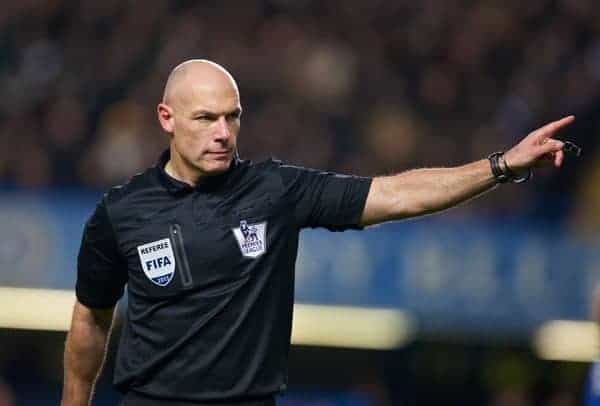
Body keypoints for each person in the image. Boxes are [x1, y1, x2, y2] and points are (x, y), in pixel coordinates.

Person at [61, 59, 573, 406]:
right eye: (205, 118)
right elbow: (91, 317)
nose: (222, 132)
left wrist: (503, 164)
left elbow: (397, 194)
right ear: (166, 119)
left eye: (232, 118)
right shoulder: (121, 212)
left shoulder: (275, 191)